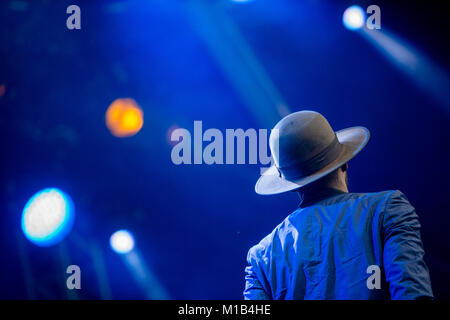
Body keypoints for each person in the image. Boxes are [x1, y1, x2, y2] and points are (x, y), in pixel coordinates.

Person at [244, 110, 433, 300]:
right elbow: (412, 293)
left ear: (292, 186)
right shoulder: (387, 208)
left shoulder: (261, 256)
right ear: (344, 164)